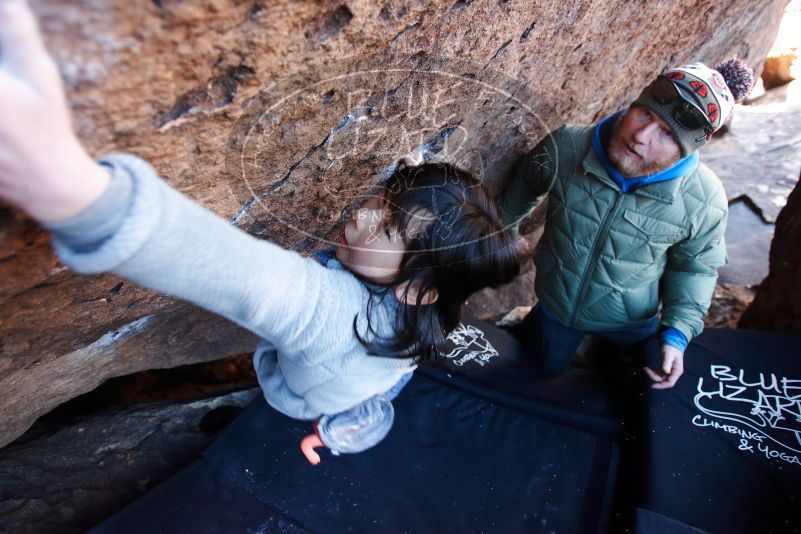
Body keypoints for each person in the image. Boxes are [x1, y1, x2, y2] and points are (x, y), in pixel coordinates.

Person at [0, 0, 520, 463]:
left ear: (416, 289)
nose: (360, 216)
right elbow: (418, 235)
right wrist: (408, 180)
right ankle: (351, 419)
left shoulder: (333, 315)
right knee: (381, 385)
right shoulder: (432, 301)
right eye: (377, 203)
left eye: (384, 224)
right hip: (373, 376)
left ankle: (328, 428)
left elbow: (243, 274)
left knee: (326, 398)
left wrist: (76, 196)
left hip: (301, 393)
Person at [499, 58, 754, 389]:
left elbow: (695, 269)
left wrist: (677, 332)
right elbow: (524, 186)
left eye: (666, 133)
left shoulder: (703, 200)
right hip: (556, 308)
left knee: (628, 389)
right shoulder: (567, 146)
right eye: (646, 113)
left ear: (689, 148)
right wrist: (499, 238)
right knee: (531, 379)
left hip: (632, 322)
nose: (640, 136)